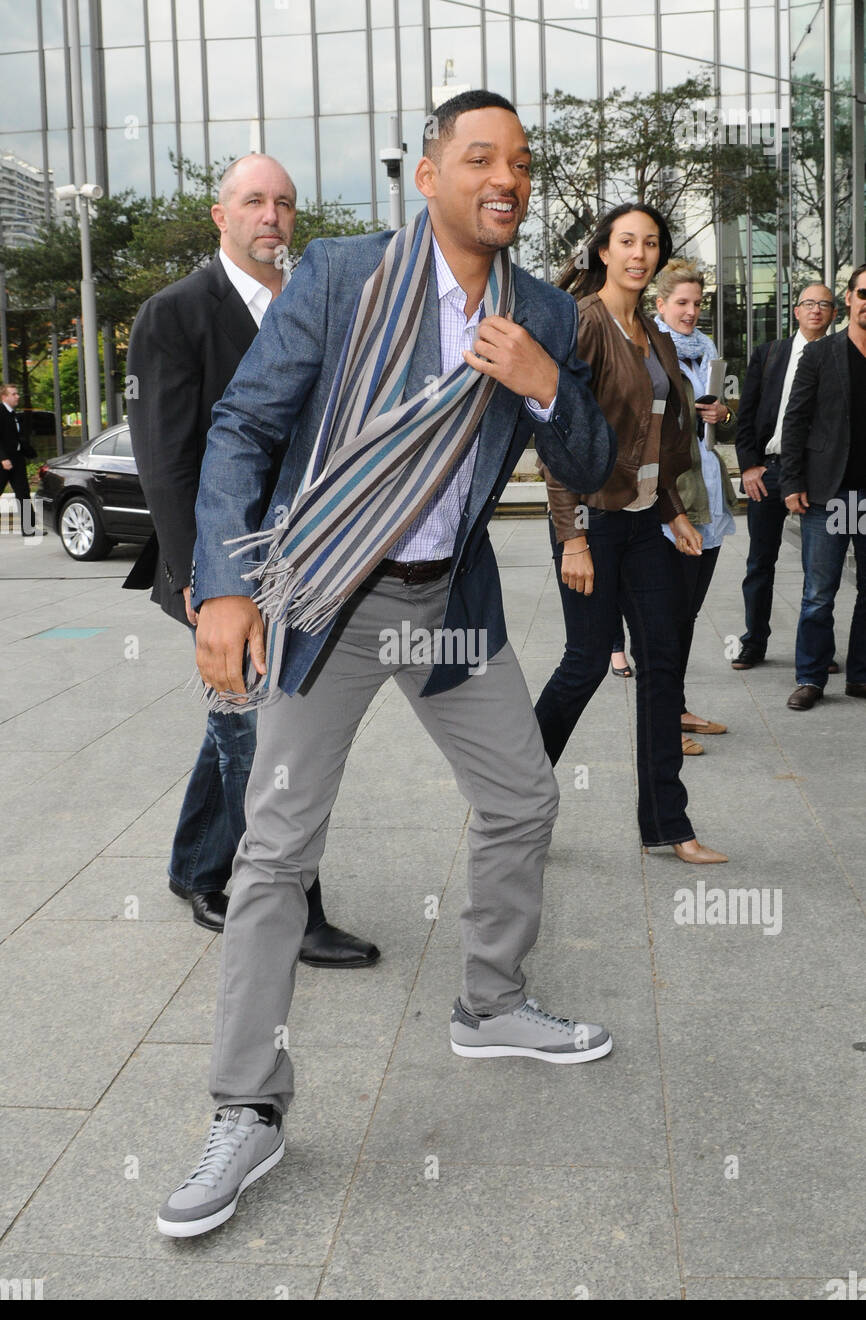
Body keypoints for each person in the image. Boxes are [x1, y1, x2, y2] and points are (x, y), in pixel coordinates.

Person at [156, 90, 616, 1238]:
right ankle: (245, 1110)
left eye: (518, 160)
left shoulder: (546, 314)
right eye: (477, 157)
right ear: (427, 176)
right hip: (326, 599)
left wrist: (543, 387)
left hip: (443, 602)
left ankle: (491, 1001)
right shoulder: (343, 277)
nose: (503, 176)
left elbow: (596, 461)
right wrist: (219, 581)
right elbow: (244, 428)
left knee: (520, 798)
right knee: (274, 852)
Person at [124, 153, 379, 968]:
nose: (272, 215)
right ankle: (293, 909)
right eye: (254, 201)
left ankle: (196, 867)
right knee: (259, 737)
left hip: (301, 557)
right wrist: (205, 580)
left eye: (285, 203)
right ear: (220, 217)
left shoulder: (310, 305)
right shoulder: (176, 314)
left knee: (231, 721)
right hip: (226, 565)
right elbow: (167, 459)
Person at [534, 204, 727, 864]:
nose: (639, 253)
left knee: (662, 660)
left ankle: (668, 825)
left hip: (646, 521)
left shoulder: (653, 332)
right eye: (627, 242)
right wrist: (573, 537)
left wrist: (672, 506)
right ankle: (514, 796)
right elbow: (557, 434)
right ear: (604, 253)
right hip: (590, 519)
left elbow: (658, 436)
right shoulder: (583, 324)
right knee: (586, 663)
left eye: (651, 243)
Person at [653, 259, 738, 755]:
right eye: (681, 303)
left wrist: (723, 412)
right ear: (661, 304)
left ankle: (677, 708)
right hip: (674, 505)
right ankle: (663, 722)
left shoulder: (708, 355)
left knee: (685, 615)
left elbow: (726, 424)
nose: (690, 311)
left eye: (696, 303)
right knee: (666, 618)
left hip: (708, 500)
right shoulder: (651, 352)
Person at [732, 284, 838, 670]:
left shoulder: (838, 356)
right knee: (760, 563)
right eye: (808, 303)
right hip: (769, 472)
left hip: (818, 477)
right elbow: (746, 415)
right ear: (796, 311)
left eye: (824, 305)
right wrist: (748, 466)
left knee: (819, 569)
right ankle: (753, 643)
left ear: (833, 314)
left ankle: (816, 652)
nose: (815, 310)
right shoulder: (770, 354)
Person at [780, 263, 866, 710]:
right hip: (826, 493)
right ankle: (811, 678)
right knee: (819, 592)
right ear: (849, 300)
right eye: (863, 294)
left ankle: (861, 676)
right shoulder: (820, 354)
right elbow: (795, 420)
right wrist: (792, 480)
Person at [0, 383, 37, 536]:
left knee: (23, 493)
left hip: (17, 459)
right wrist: (3, 458)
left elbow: (18, 438)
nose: (18, 396)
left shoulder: (14, 414)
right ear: (4, 396)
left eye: (17, 393)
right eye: (14, 394)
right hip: (3, 461)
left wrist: (31, 453)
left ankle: (28, 529)